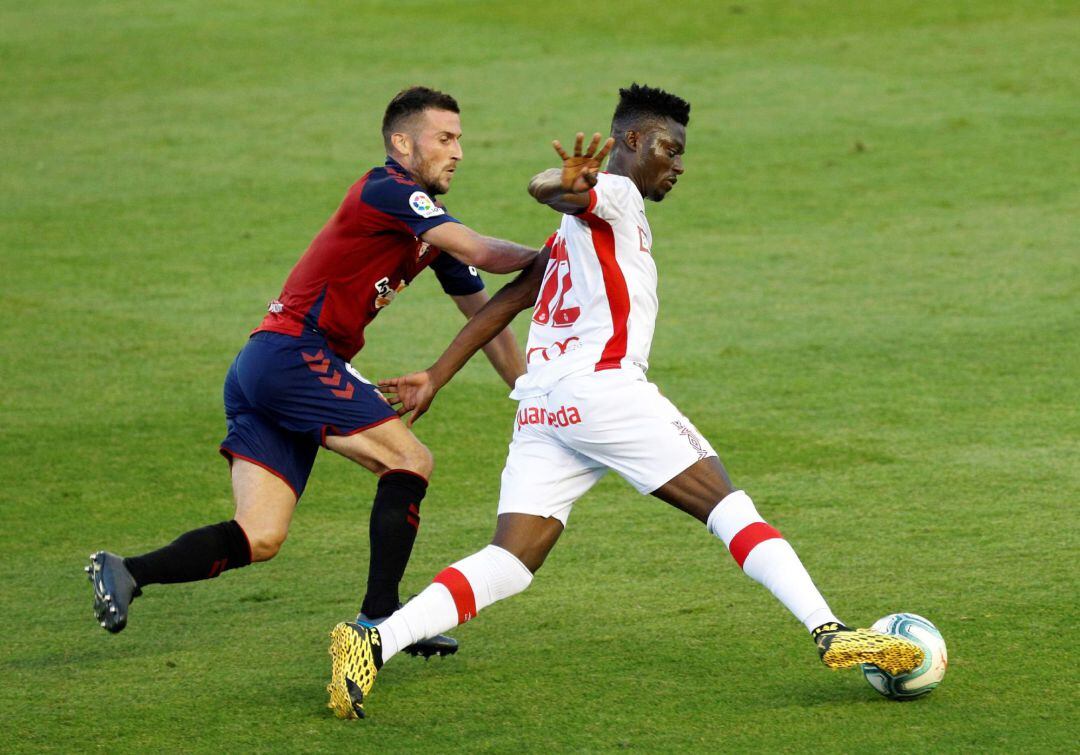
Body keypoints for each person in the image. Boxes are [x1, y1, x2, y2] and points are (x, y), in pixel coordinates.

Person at [324, 84, 924, 719]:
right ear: (631, 142)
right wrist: (562, 181)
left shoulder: (572, 234)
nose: (679, 164)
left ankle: (371, 644)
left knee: (512, 559)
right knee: (727, 507)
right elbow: (558, 190)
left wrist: (437, 374)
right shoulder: (615, 194)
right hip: (603, 392)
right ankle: (830, 631)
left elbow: (505, 301)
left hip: (543, 409)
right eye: (670, 148)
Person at [85, 87, 536, 660]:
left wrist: (527, 393)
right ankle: (379, 618)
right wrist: (557, 251)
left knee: (261, 535)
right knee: (410, 459)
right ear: (403, 142)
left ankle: (126, 572)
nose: (459, 152)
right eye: (445, 139)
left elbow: (489, 319)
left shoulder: (430, 234)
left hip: (261, 366)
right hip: (294, 354)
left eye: (460, 140)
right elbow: (484, 251)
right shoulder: (387, 188)